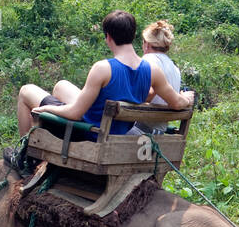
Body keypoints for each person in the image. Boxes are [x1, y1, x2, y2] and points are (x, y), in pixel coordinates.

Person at [14, 10, 194, 142]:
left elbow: (75, 114)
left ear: (108, 37)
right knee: (61, 85)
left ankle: (24, 156)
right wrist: (186, 97)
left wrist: (47, 110)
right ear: (133, 36)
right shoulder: (152, 71)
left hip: (88, 132)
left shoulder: (103, 68)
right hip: (120, 131)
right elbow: (177, 102)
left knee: (26, 91)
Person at [135, 19, 181, 135]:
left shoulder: (147, 60)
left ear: (147, 44)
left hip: (141, 131)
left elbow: (145, 95)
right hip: (159, 132)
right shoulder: (174, 68)